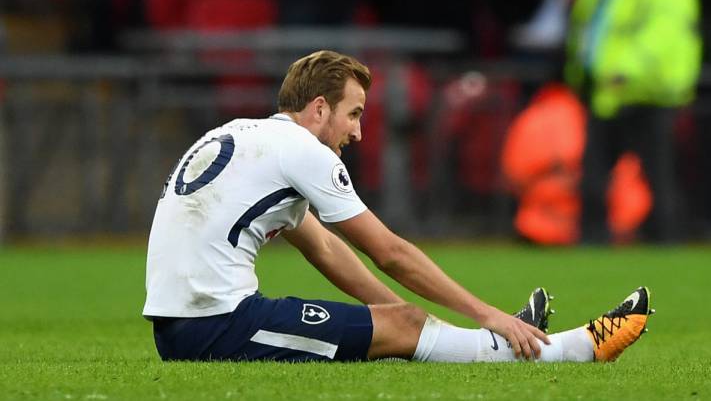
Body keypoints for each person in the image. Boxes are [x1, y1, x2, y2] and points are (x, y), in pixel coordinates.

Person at [143, 50, 651, 362]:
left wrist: (398, 318)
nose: (359, 132)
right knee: (404, 327)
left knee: (401, 325)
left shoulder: (243, 135)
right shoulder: (301, 150)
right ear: (318, 109)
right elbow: (389, 252)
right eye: (353, 114)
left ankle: (493, 341)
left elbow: (324, 249)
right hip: (214, 326)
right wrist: (487, 313)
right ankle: (570, 351)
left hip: (183, 324)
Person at [565, 0, 701, 244]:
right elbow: (589, 25)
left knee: (658, 180)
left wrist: (627, 68)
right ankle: (593, 245)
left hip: (648, 91)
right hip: (608, 89)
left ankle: (667, 246)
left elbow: (665, 29)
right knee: (594, 180)